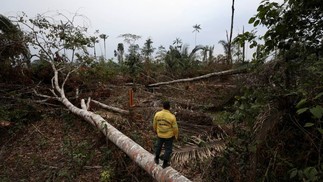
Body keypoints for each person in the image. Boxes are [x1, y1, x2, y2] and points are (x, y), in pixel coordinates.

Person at [153, 101, 178, 168]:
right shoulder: (172, 117)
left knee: (159, 146)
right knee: (168, 149)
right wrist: (176, 135)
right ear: (169, 107)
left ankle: (156, 159)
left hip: (160, 134)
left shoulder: (157, 114)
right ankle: (165, 164)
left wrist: (155, 131)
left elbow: (154, 124)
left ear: (163, 107)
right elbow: (175, 128)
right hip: (169, 136)